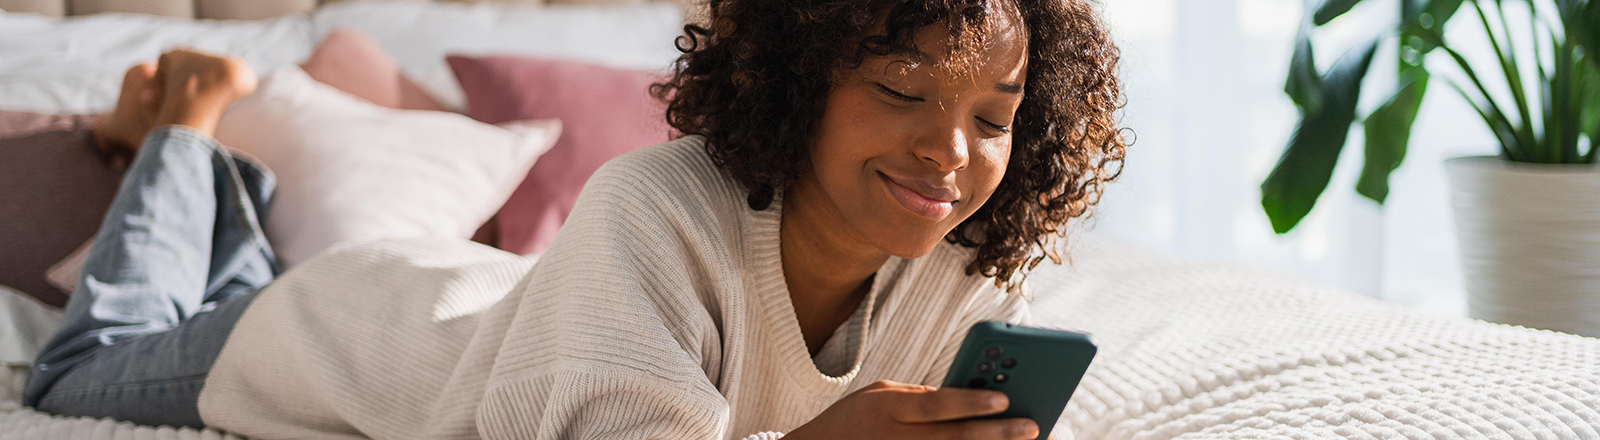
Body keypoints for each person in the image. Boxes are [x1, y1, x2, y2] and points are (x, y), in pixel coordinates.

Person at [24, 0, 1125, 438]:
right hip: (344, 334)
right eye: (901, 90)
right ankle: (185, 123)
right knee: (81, 368)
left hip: (477, 300)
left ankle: (225, 199)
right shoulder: (657, 204)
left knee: (220, 285)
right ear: (797, 78)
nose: (950, 152)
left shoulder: (964, 261)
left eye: (992, 116)